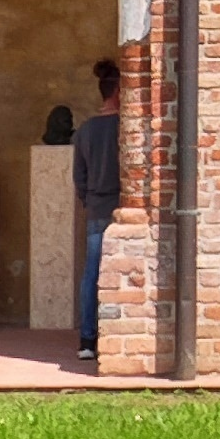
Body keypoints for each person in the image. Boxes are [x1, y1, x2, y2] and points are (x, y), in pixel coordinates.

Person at [73, 60, 122, 362]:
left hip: (95, 208)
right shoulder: (125, 128)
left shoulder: (85, 131)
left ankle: (87, 339)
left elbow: (79, 176)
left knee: (92, 273)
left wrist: (88, 201)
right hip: (120, 207)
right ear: (118, 91)